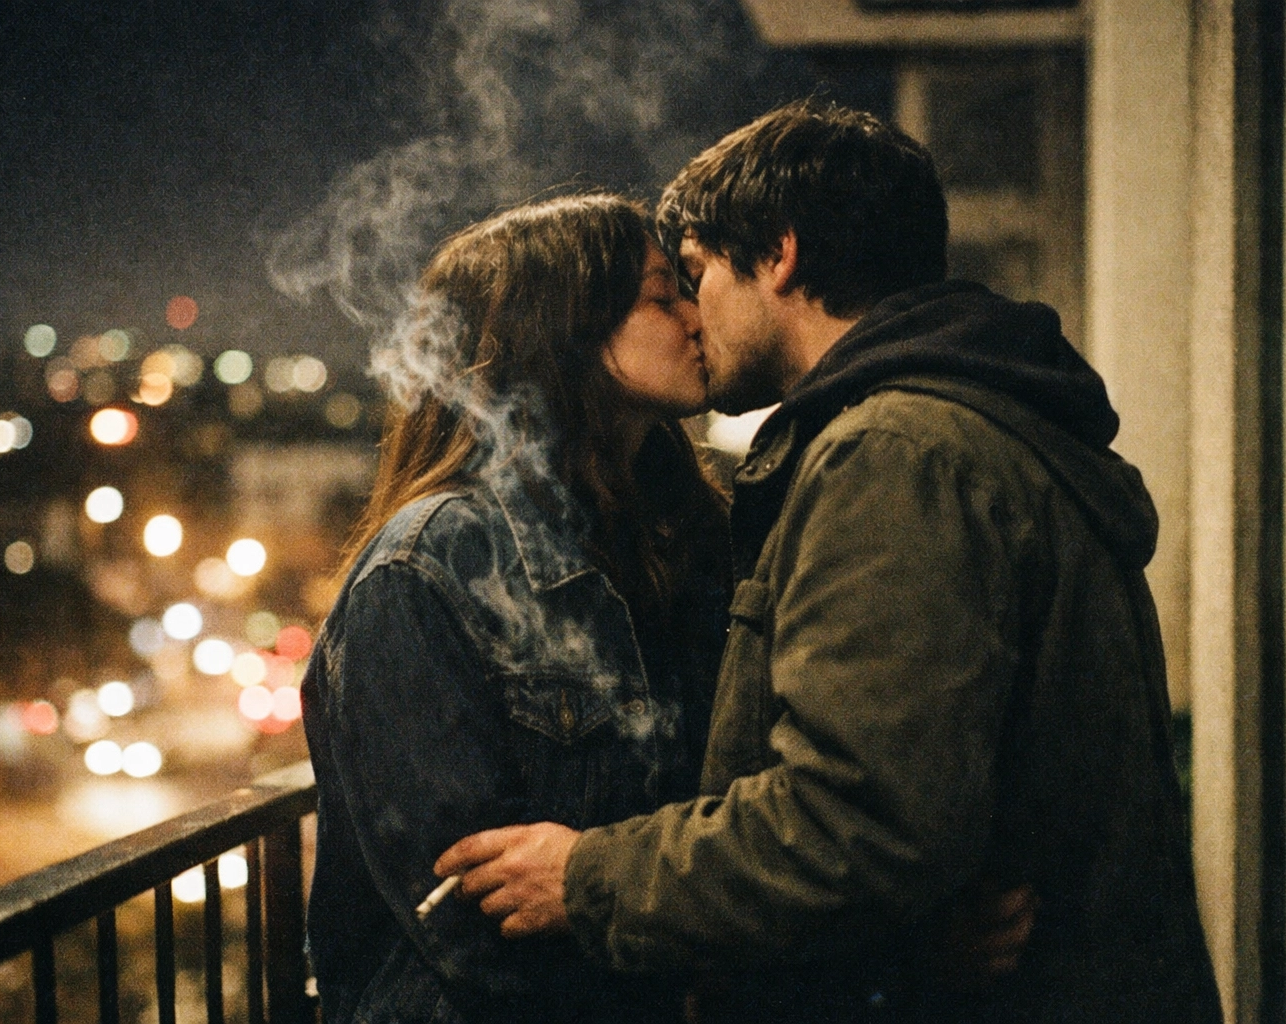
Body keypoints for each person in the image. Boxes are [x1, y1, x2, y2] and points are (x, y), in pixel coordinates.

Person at [436, 100, 1224, 1022]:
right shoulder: (967, 426)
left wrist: (588, 878)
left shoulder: (895, 454)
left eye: (696, 274)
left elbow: (857, 822)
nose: (693, 313)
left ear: (778, 255)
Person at [301, 193, 734, 1024]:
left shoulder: (684, 537)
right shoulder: (428, 567)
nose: (695, 314)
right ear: (565, 328)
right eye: (660, 293)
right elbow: (471, 921)